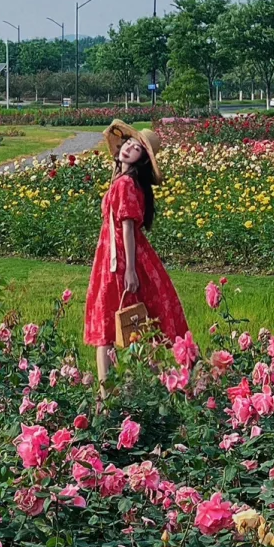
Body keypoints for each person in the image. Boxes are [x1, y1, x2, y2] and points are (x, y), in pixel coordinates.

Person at [84, 119, 189, 387]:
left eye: (138, 149)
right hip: (113, 254)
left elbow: (128, 228)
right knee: (136, 322)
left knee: (115, 322)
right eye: (129, 143)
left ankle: (109, 390)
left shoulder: (126, 184)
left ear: (142, 160)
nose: (130, 147)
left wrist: (130, 269)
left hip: (118, 258)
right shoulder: (121, 181)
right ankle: (139, 382)